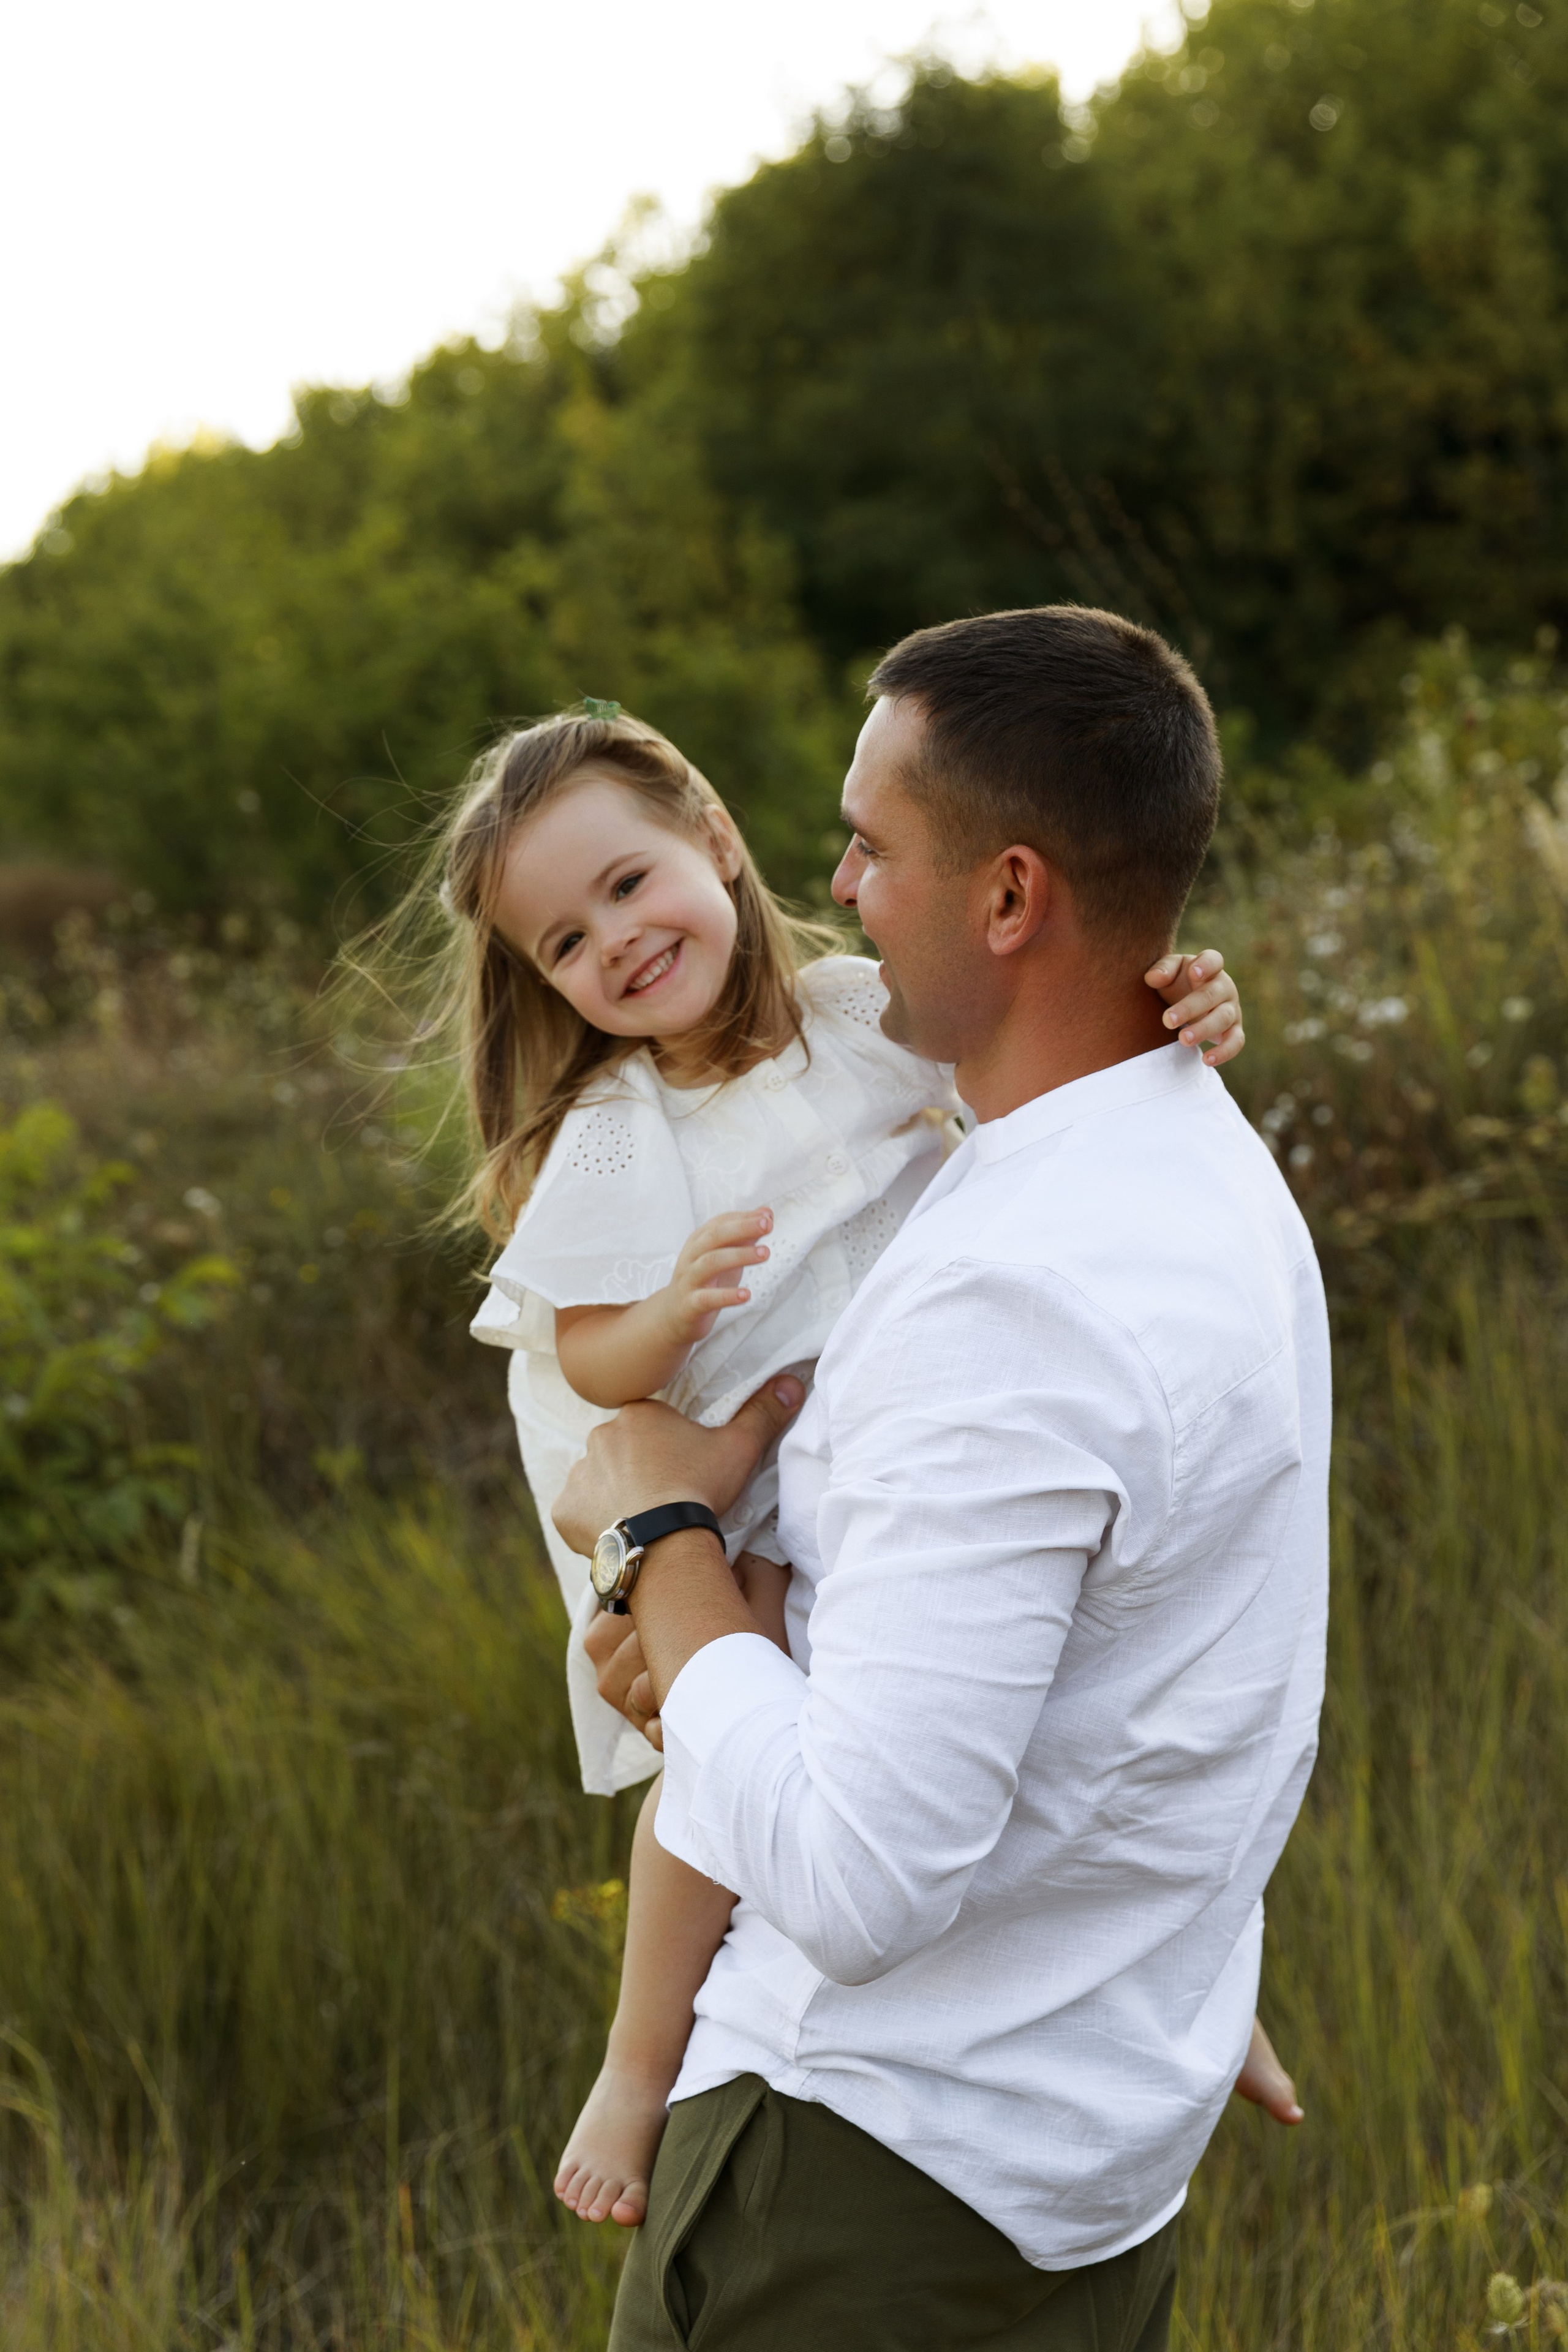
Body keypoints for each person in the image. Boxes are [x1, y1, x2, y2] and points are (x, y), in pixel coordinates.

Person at [555, 606, 1331, 2351]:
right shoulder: (1203, 1163)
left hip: (864, 2183)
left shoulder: (1015, 1291)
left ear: (1009, 897)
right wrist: (709, 1646)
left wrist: (661, 1541)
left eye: (872, 846)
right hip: (1092, 2154)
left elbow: (860, 1879)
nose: (838, 890)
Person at [418, 703, 1258, 2236]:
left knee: (1071, 1717)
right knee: (720, 1783)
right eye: (563, 943)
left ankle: (1194, 1976)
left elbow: (1050, 1072)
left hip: (931, 1450)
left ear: (714, 840)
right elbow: (586, 1356)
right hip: (756, 1499)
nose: (614, 943)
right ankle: (635, 2067)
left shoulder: (868, 1010)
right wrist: (672, 1310)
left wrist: (1179, 1005)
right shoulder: (614, 1127)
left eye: (627, 884)